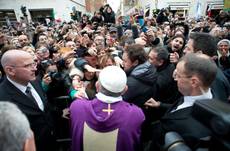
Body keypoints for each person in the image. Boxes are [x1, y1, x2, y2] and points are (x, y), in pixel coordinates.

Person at [145, 53, 217, 150]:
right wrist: (160, 105)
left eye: (178, 75)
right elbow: (181, 106)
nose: (175, 79)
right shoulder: (198, 93)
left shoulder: (192, 130)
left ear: (194, 82)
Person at [70, 66, 145, 151]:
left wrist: (74, 87)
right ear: (125, 90)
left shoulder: (77, 107)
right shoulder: (135, 114)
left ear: (97, 86)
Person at [0, 50, 56, 151]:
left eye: (34, 63)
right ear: (10, 70)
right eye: (27, 66)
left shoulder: (35, 80)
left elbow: (43, 106)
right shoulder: (3, 99)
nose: (34, 68)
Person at [183, 32, 230, 102]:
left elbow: (215, 110)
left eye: (188, 49)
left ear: (199, 54)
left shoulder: (213, 79)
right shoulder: (203, 71)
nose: (184, 51)